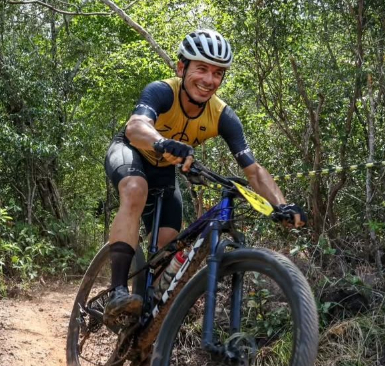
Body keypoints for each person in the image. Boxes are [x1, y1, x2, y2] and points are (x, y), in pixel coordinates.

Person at [103, 29, 306, 323]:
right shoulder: (162, 91)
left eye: (218, 73)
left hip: (163, 172)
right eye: (201, 69)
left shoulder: (222, 115)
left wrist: (281, 205)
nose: (209, 80)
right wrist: (160, 142)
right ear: (181, 68)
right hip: (130, 152)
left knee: (168, 245)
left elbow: (254, 170)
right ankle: (117, 292)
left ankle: (143, 323)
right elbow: (135, 127)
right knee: (135, 189)